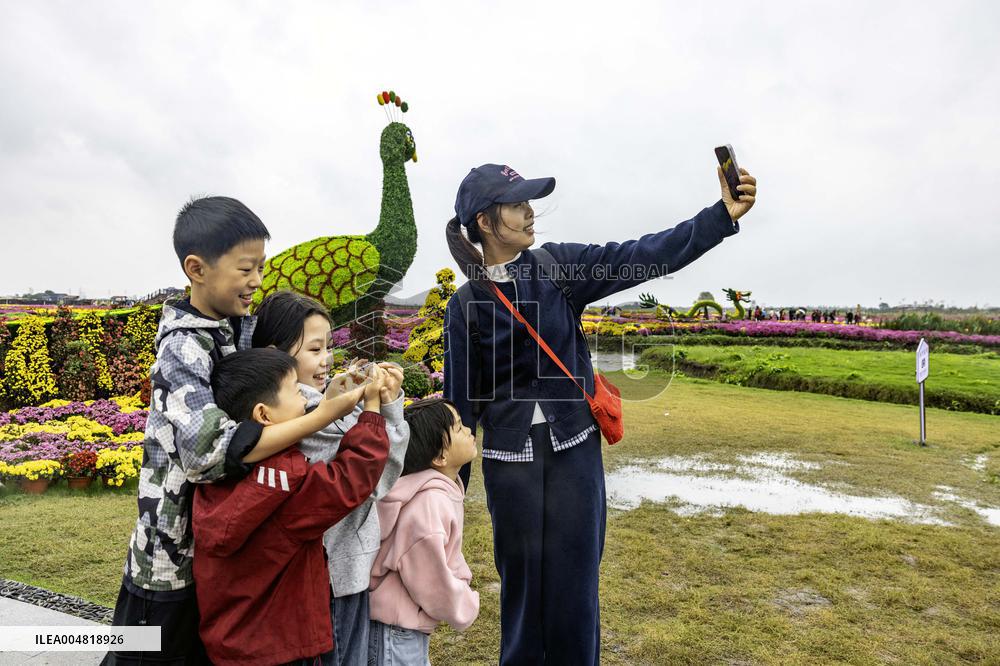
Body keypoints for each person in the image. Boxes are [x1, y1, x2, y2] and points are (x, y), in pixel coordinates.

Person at [443, 162, 756, 663]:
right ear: (485, 221)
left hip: (574, 456)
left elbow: (642, 255)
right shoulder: (464, 306)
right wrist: (447, 492)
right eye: (517, 204)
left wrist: (720, 216)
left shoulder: (557, 267)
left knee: (576, 589)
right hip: (510, 465)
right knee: (523, 594)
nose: (530, 212)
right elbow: (459, 407)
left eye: (529, 202)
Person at [102, 197, 364, 665]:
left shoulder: (235, 328)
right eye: (246, 269)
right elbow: (208, 453)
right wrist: (324, 415)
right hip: (169, 561)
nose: (257, 281)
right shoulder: (183, 346)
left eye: (260, 266)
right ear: (197, 268)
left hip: (221, 554)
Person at [194, 348, 391, 665]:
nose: (304, 398)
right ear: (264, 414)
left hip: (231, 640)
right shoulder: (284, 481)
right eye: (294, 390)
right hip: (282, 645)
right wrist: (372, 411)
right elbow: (348, 481)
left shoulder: (214, 472)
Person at [252, 290, 411, 666]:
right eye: (314, 349)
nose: (327, 360)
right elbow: (373, 478)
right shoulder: (304, 416)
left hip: (342, 571)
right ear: (278, 356)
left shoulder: (317, 404)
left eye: (328, 347)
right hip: (333, 576)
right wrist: (381, 406)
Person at [368, 397, 480, 665]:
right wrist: (464, 603)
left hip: (400, 628)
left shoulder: (436, 490)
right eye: (459, 427)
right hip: (396, 634)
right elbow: (430, 579)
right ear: (440, 456)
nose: (468, 431)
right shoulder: (429, 503)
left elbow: (447, 555)